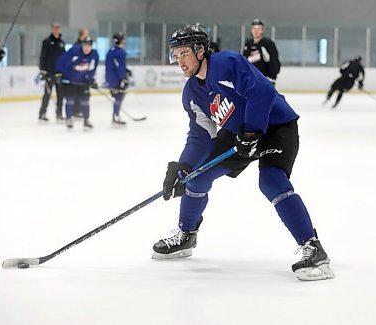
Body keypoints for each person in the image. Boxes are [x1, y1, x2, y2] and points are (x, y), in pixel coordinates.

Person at [152, 25, 334, 281]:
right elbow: (200, 135)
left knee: (271, 181)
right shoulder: (192, 93)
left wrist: (252, 132)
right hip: (238, 134)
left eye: (184, 53)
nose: (180, 61)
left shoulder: (226, 63)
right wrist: (183, 166)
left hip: (274, 125)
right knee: (196, 177)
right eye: (176, 55)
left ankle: (314, 249)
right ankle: (186, 234)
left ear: (200, 50)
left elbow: (263, 92)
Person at [55, 37, 99, 129]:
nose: (86, 48)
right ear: (82, 45)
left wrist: (91, 79)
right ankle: (69, 118)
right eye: (85, 46)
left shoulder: (94, 55)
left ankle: (86, 119)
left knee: (85, 101)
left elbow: (92, 68)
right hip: (71, 81)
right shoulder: (74, 51)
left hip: (83, 82)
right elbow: (62, 61)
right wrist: (59, 72)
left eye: (89, 46)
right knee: (70, 100)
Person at [38, 22, 66, 122]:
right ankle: (42, 113)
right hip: (49, 72)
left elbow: (64, 58)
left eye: (58, 28)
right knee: (47, 94)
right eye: (54, 28)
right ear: (52, 29)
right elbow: (43, 56)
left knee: (60, 95)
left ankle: (59, 114)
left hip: (59, 73)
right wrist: (42, 70)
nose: (56, 30)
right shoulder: (47, 41)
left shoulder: (62, 42)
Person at [243, 19, 280, 85]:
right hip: (251, 80)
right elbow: (244, 62)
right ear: (251, 30)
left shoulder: (268, 43)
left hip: (265, 79)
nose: (256, 31)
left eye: (258, 28)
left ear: (262, 30)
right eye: (254, 28)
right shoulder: (248, 44)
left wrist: (272, 77)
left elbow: (274, 61)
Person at [105, 32, 132, 125]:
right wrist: (124, 77)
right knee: (119, 97)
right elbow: (119, 67)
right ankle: (116, 115)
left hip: (110, 79)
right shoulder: (121, 52)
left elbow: (113, 66)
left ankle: (116, 115)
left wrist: (126, 70)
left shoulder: (111, 51)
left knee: (118, 97)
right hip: (117, 79)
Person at [72, 28, 90, 118]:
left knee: (82, 92)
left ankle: (80, 109)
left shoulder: (86, 45)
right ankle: (75, 110)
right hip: (77, 73)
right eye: (86, 34)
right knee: (76, 92)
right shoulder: (77, 46)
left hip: (83, 73)